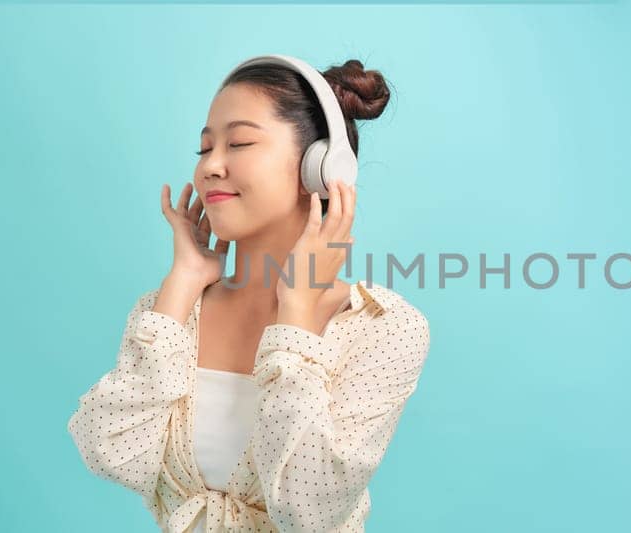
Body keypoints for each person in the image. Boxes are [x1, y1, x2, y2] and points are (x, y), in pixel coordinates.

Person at [67, 56, 431, 532]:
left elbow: (310, 511)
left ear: (320, 167)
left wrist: (295, 318)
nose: (211, 167)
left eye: (238, 143)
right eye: (204, 148)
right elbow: (111, 452)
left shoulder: (384, 328)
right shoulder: (174, 312)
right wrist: (182, 283)